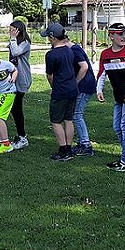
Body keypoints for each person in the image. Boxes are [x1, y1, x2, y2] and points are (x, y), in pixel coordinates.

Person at [96, 23, 125, 171]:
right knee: (117, 127)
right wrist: (99, 90)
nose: (123, 37)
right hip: (118, 97)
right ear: (111, 36)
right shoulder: (105, 54)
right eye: (120, 34)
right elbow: (102, 73)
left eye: (124, 34)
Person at [41, 23, 79, 162]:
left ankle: (63, 150)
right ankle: (69, 148)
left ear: (52, 37)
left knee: (56, 121)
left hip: (60, 91)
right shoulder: (69, 50)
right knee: (69, 119)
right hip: (72, 89)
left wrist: (53, 87)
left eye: (49, 37)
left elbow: (49, 75)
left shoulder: (51, 55)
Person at [67, 38, 96, 157]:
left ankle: (85, 145)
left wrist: (75, 83)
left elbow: (84, 67)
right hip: (84, 86)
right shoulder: (74, 48)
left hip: (84, 86)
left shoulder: (74, 50)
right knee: (76, 114)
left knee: (77, 115)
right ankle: (81, 142)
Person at [8, 20, 32, 149]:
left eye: (12, 29)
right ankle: (20, 134)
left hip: (22, 79)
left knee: (16, 107)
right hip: (14, 78)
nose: (10, 32)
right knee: (14, 108)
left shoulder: (25, 43)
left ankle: (22, 137)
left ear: (18, 30)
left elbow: (16, 52)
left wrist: (12, 39)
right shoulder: (13, 42)